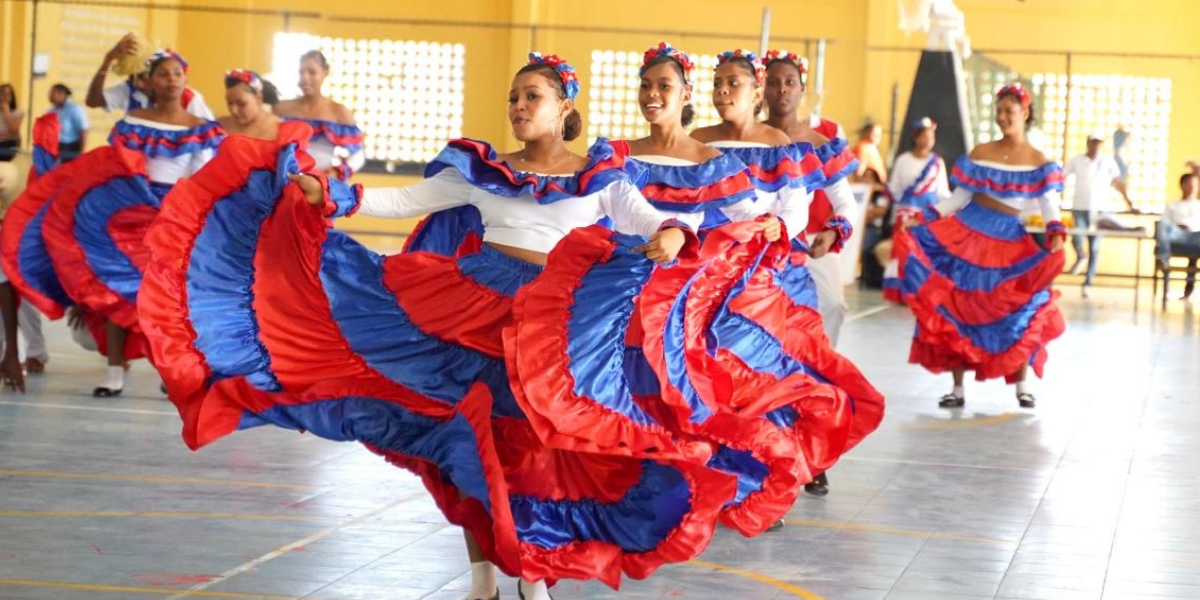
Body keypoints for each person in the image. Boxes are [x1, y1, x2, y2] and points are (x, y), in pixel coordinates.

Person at [140, 52, 739, 600]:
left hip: (549, 326)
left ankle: (531, 572)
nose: (520, 107)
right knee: (468, 441)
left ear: (565, 107)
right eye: (514, 98)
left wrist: (669, 232)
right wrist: (331, 194)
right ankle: (483, 579)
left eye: (533, 96)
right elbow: (401, 201)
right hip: (468, 309)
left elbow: (646, 217)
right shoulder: (481, 169)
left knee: (531, 448)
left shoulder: (602, 175)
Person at [39, 50, 223, 397]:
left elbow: (202, 177)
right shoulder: (135, 119)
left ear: (186, 79)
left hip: (173, 218)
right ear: (150, 80)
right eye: (163, 74)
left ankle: (171, 371)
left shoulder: (200, 129)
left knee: (169, 299)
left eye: (176, 74)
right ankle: (113, 372)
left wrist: (178, 211)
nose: (171, 80)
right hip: (128, 212)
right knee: (117, 290)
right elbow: (118, 163)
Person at [895, 82, 1066, 409]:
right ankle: (957, 390)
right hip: (965, 236)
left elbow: (1049, 205)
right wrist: (927, 217)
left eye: (1009, 111)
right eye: (999, 111)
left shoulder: (1038, 161)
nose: (1002, 117)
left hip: (1008, 241)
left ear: (1025, 113)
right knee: (958, 309)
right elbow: (959, 198)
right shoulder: (981, 152)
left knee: (1016, 309)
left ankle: (1021, 386)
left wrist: (1056, 231)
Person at [761, 49, 861, 498]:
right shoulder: (748, 137)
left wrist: (833, 232)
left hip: (811, 250)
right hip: (759, 256)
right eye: (773, 82)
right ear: (762, 88)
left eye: (789, 82)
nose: (781, 90)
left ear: (802, 89)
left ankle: (813, 451)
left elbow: (845, 203)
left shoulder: (823, 139)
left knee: (826, 322)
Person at [880, 117, 950, 301]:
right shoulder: (903, 160)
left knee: (924, 253)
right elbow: (894, 187)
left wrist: (952, 207)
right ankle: (903, 292)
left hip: (927, 214)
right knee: (905, 251)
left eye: (932, 137)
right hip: (905, 212)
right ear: (916, 137)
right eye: (925, 136)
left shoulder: (937, 163)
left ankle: (923, 292)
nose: (928, 140)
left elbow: (942, 192)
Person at [1064, 132, 1134, 298]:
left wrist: (1128, 201)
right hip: (1080, 207)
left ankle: (1088, 283)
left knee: (1095, 247)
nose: (1096, 146)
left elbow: (1117, 182)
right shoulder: (1077, 160)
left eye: (1099, 143)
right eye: (1093, 142)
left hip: (1101, 209)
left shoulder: (1108, 161)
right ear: (1088, 143)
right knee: (1077, 237)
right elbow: (1062, 177)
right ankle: (1081, 255)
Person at [274, 51, 364, 180]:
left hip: (321, 182)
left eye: (312, 72)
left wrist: (337, 172)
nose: (305, 77)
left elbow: (358, 154)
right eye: (301, 72)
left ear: (325, 73)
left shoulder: (338, 112)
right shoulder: (281, 109)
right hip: (285, 180)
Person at [85, 34, 215, 120]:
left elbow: (210, 138)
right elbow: (93, 101)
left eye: (143, 77)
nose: (139, 84)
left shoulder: (188, 98)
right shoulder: (131, 90)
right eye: (134, 78)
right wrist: (107, 61)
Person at [217, 69, 297, 141]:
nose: (233, 110)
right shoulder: (220, 126)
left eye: (241, 104)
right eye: (229, 103)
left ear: (259, 98)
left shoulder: (279, 130)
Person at [1156, 173, 1200, 300]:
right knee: (1163, 224)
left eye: (1195, 184)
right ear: (1182, 185)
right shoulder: (1172, 205)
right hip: (1177, 235)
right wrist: (1177, 227)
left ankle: (1189, 289)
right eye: (1189, 184)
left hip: (1196, 236)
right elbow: (1165, 224)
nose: (1192, 187)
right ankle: (1163, 257)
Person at [47, 84, 88, 162]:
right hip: (55, 148)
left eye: (52, 93)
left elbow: (83, 130)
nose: (50, 96)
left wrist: (81, 153)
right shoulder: (51, 110)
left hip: (70, 148)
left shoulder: (75, 109)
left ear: (61, 94)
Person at [0, 84, 24, 161]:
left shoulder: (18, 113)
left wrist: (6, 111)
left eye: (8, 94)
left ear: (12, 97)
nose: (5, 96)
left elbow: (14, 131)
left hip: (8, 145)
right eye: (2, 93)